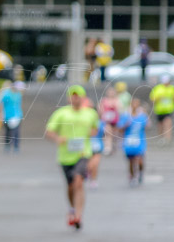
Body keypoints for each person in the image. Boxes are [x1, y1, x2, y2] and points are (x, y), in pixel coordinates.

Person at [44, 85, 99, 229]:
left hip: (83, 153)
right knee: (70, 186)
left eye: (78, 95)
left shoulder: (90, 113)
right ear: (69, 98)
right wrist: (57, 138)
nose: (75, 98)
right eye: (72, 95)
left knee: (78, 182)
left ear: (83, 97)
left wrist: (91, 134)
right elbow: (49, 132)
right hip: (65, 156)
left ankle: (78, 216)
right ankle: (72, 209)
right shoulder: (61, 114)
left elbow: (96, 128)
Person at [120, 98, 149, 187]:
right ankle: (132, 176)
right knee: (131, 161)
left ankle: (140, 173)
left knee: (140, 160)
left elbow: (148, 126)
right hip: (129, 142)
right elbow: (120, 128)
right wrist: (126, 124)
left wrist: (146, 114)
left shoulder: (142, 116)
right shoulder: (126, 116)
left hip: (139, 141)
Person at [149, 75, 174, 145]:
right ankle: (161, 138)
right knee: (160, 125)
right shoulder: (158, 88)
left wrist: (170, 99)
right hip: (159, 110)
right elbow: (152, 99)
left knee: (168, 124)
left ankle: (168, 139)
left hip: (168, 110)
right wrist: (159, 98)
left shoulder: (172, 88)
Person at [0, 80, 24, 154]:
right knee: (9, 131)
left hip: (17, 116)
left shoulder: (17, 94)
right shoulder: (7, 94)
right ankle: (9, 145)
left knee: (15, 132)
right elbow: (1, 104)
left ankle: (15, 146)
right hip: (8, 116)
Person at [99, 87, 121, 155]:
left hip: (114, 120)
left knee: (114, 134)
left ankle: (112, 145)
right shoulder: (104, 100)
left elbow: (119, 109)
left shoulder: (117, 100)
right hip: (107, 120)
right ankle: (108, 147)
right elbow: (100, 108)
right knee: (108, 133)